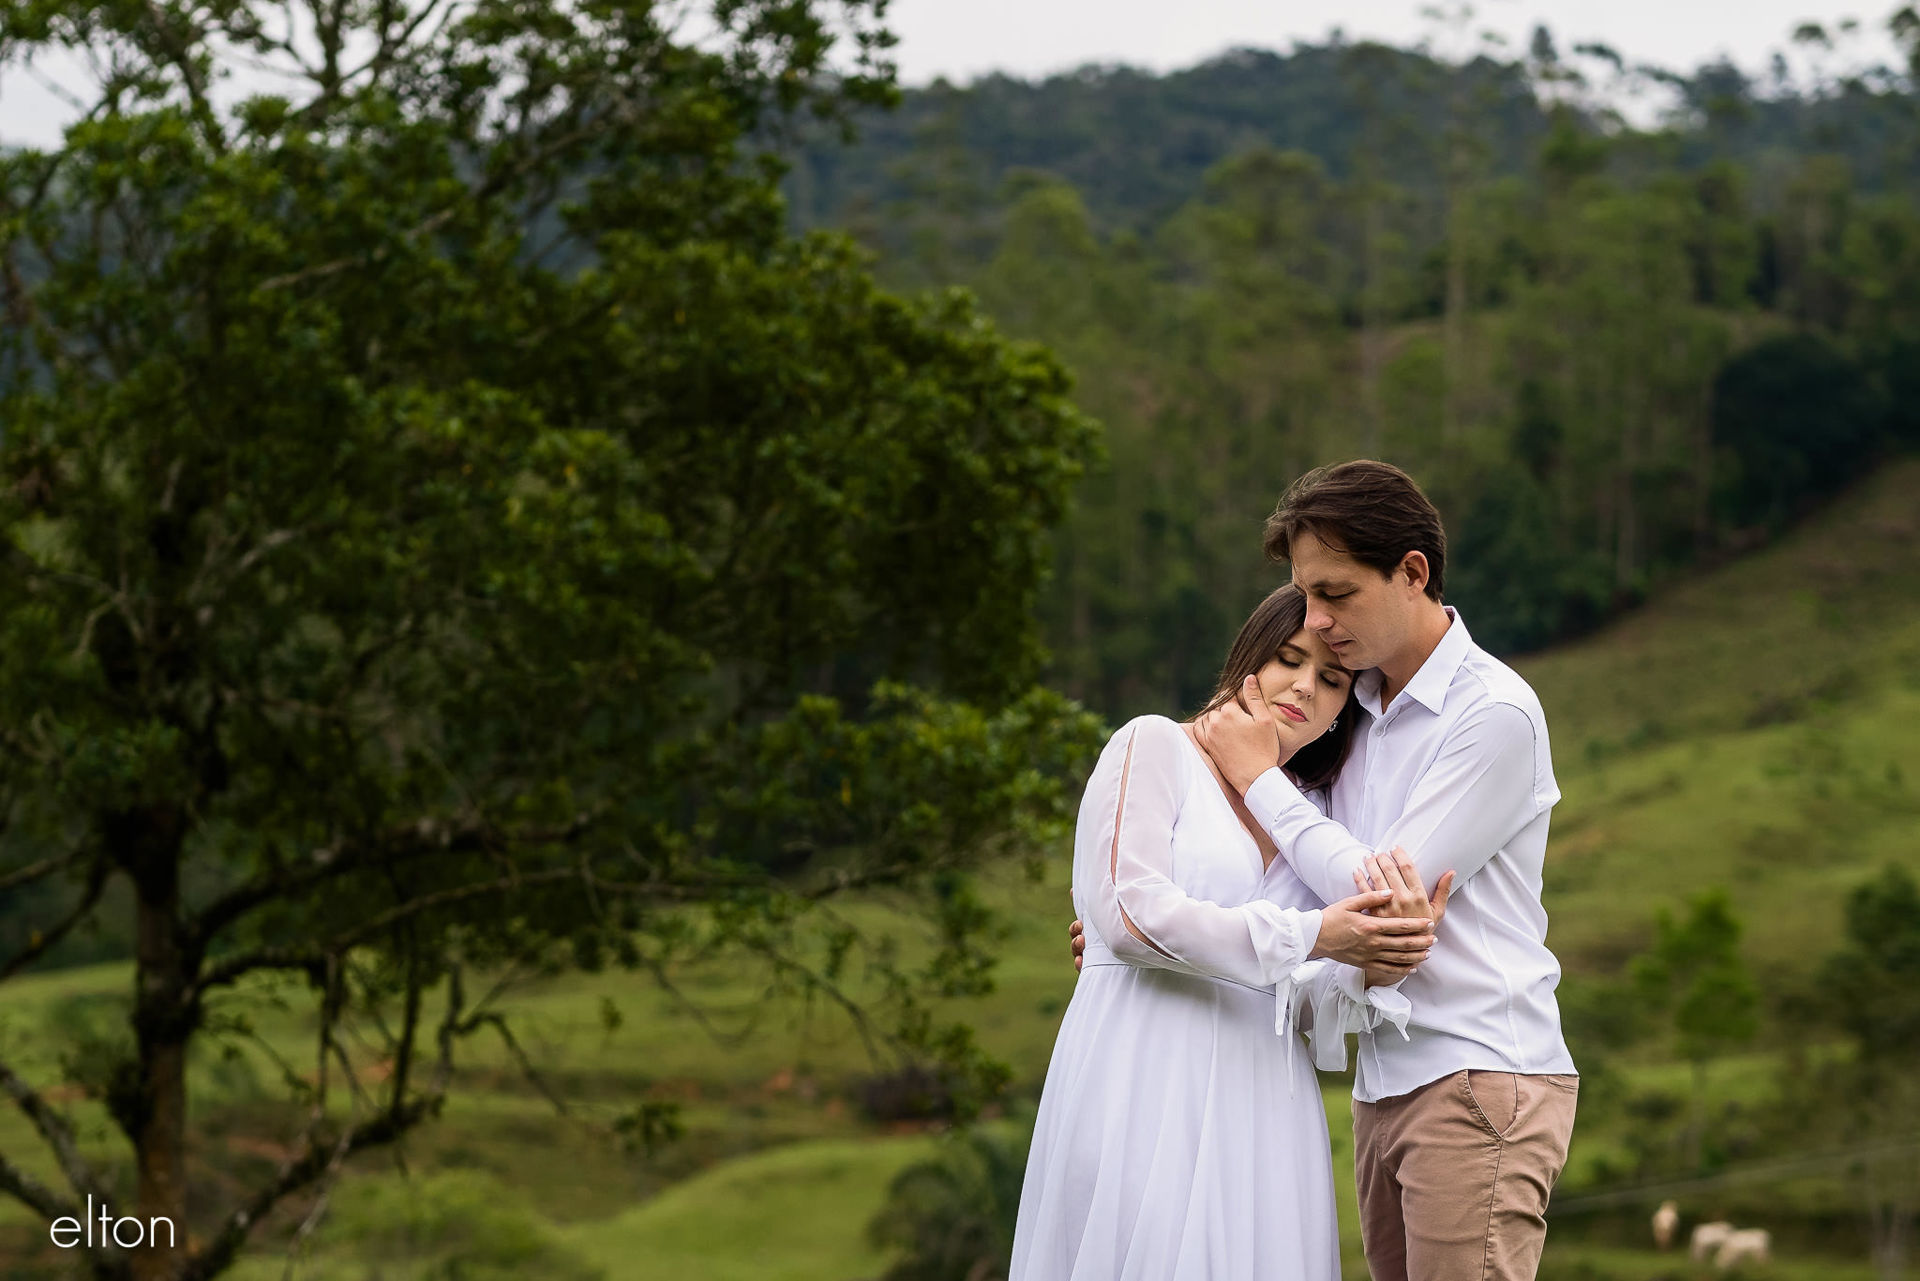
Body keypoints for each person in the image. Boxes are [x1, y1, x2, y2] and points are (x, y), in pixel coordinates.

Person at [1193, 460, 1579, 1281]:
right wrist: (1157, 936)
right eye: (1306, 595)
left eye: (1336, 593)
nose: (1318, 620)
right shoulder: (1351, 706)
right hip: (1384, 1080)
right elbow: (1296, 880)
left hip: (1477, 1071)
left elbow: (1377, 898)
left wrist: (1260, 777)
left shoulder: (1495, 714)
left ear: (1412, 573)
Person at [1010, 584, 1453, 1281]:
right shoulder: (1154, 744)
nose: (1306, 688)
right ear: (1249, 657)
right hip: (1146, 1071)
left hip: (1264, 1097)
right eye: (1288, 660)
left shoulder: (1307, 816)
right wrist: (1315, 935)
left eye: (1333, 679)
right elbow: (1131, 915)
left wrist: (1371, 966)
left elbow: (1304, 1001)